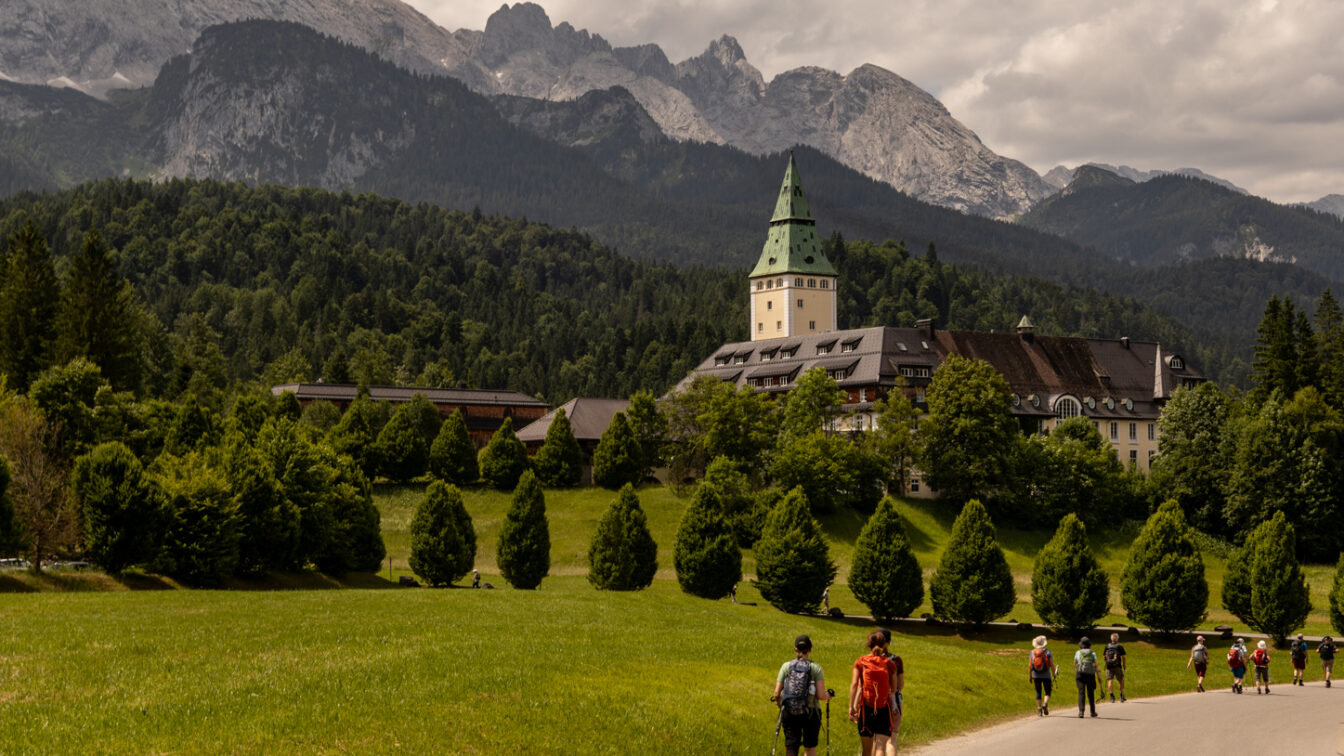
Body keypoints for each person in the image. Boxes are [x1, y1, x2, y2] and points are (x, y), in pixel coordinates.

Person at [774, 634, 831, 756]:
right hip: (811, 712)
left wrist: (781, 705)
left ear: (795, 649)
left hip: (789, 711)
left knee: (791, 748)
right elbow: (821, 695)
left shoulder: (786, 666)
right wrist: (828, 696)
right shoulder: (816, 668)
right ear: (810, 649)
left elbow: (776, 693)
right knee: (809, 748)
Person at [850, 631, 899, 756]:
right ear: (884, 645)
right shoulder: (890, 664)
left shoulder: (860, 661)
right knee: (880, 747)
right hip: (883, 708)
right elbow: (894, 689)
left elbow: (855, 684)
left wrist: (852, 706)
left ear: (868, 644)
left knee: (866, 750)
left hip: (866, 709)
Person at [1028, 635, 1058, 716]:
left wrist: (1030, 676)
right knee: (1047, 691)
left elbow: (1030, 665)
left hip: (1036, 675)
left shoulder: (1032, 652)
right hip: (1046, 675)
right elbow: (1051, 664)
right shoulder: (1047, 652)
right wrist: (1054, 674)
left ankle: (1039, 709)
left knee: (1038, 692)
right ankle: (1045, 703)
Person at [1073, 637, 1100, 718]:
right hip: (1090, 675)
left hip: (1080, 674)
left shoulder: (1078, 652)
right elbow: (1096, 666)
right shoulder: (1093, 653)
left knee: (1081, 693)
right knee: (1090, 693)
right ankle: (1092, 712)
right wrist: (1099, 677)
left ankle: (1081, 711)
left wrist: (1079, 667)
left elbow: (1074, 665)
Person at [1103, 632, 1127, 702]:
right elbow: (1124, 657)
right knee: (1120, 680)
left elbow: (1104, 656)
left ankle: (1112, 697)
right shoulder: (1119, 647)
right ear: (1117, 639)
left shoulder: (1107, 646)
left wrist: (1108, 661)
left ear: (1111, 639)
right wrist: (1124, 665)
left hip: (1109, 666)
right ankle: (1122, 696)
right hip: (1117, 666)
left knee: (1110, 680)